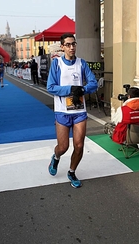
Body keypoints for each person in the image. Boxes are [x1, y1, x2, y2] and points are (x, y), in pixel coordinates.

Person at [47, 33, 98, 188]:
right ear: (62, 47)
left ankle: (72, 171)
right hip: (62, 111)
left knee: (79, 145)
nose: (72, 47)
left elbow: (93, 83)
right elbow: (51, 87)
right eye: (68, 45)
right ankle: (56, 157)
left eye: (73, 44)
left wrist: (82, 89)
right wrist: (71, 89)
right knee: (63, 147)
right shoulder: (56, 64)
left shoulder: (82, 63)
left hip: (79, 112)